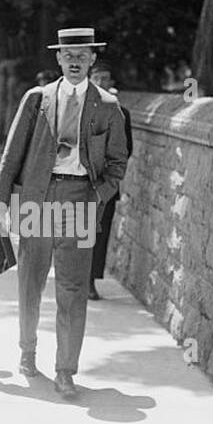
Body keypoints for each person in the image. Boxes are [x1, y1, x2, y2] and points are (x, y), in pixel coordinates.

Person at [0, 27, 128, 399]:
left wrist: (96, 197)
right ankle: (27, 351)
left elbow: (118, 164)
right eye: (69, 54)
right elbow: (12, 154)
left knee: (72, 289)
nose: (76, 61)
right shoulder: (37, 99)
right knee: (30, 281)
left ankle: (65, 370)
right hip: (37, 197)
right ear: (58, 59)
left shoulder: (109, 106)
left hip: (80, 199)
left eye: (83, 54)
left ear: (93, 59)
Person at [87, 61, 133, 300]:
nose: (102, 83)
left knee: (100, 233)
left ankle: (91, 281)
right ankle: (74, 278)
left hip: (106, 186)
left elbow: (127, 150)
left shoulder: (121, 113)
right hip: (78, 183)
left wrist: (109, 177)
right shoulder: (79, 109)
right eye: (98, 78)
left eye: (106, 79)